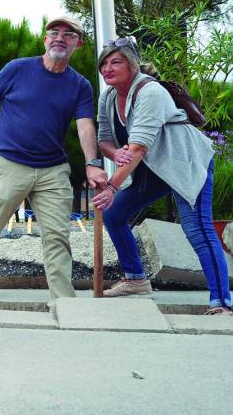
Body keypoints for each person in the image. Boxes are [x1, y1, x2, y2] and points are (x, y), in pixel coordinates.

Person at [0, 16, 108, 301]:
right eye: (54, 32)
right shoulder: (17, 69)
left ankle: (64, 299)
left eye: (68, 34)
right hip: (11, 163)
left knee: (57, 235)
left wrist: (92, 163)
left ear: (78, 44)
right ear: (45, 39)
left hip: (53, 170)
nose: (60, 37)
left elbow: (85, 125)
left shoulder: (80, 85)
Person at [92, 37, 231, 315]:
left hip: (185, 162)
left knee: (198, 229)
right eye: (104, 63)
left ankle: (222, 302)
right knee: (114, 214)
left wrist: (112, 187)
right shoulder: (108, 96)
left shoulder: (150, 91)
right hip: (154, 168)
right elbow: (104, 139)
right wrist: (114, 154)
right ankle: (136, 279)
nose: (107, 68)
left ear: (132, 65)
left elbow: (139, 147)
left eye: (115, 62)